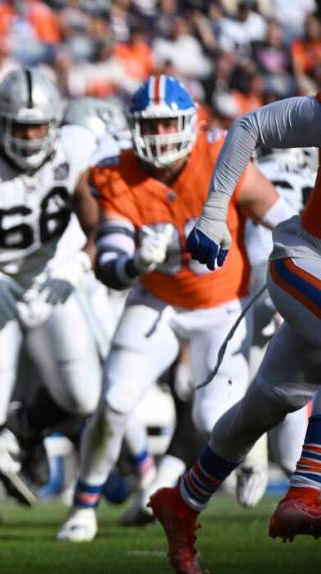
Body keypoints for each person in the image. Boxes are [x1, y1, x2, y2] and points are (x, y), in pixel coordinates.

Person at [57, 75, 292, 543]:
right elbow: (108, 264)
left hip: (223, 304)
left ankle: (251, 450)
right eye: (152, 125)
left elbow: (282, 218)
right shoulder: (117, 173)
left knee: (211, 420)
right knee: (115, 401)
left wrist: (293, 283)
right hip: (157, 300)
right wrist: (134, 262)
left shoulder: (220, 155)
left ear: (188, 124)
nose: (161, 135)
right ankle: (84, 506)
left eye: (169, 124)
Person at [151, 93, 321, 574]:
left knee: (263, 406)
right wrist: (212, 213)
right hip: (305, 257)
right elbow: (249, 126)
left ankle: (181, 502)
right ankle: (308, 487)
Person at [0, 68, 105, 536]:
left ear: (55, 124)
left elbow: (101, 224)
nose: (30, 138)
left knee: (83, 395)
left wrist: (81, 264)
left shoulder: (74, 147)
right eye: (21, 127)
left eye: (39, 126)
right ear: (0, 123)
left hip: (50, 277)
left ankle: (27, 426)